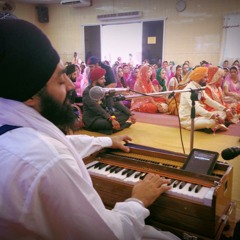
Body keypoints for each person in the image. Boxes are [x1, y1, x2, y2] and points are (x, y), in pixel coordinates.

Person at [0, 19, 180, 240]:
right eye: (59, 79)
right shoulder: (47, 159)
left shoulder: (12, 128)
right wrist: (138, 200)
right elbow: (109, 235)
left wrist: (106, 142)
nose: (69, 85)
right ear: (29, 95)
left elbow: (64, 144)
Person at [82, 67, 136, 135]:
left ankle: (112, 128)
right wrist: (111, 119)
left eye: (104, 78)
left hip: (105, 116)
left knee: (125, 115)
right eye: (102, 79)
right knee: (109, 123)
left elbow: (115, 103)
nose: (104, 80)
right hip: (93, 119)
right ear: (95, 81)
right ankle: (116, 127)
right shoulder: (88, 92)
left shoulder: (103, 89)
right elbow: (97, 109)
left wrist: (130, 113)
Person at [179, 67, 229, 132]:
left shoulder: (199, 87)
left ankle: (212, 126)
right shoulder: (189, 89)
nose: (207, 79)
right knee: (212, 121)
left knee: (223, 113)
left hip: (198, 117)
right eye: (205, 77)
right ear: (199, 77)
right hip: (188, 120)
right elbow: (196, 108)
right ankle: (213, 126)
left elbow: (209, 101)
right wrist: (212, 116)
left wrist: (225, 109)